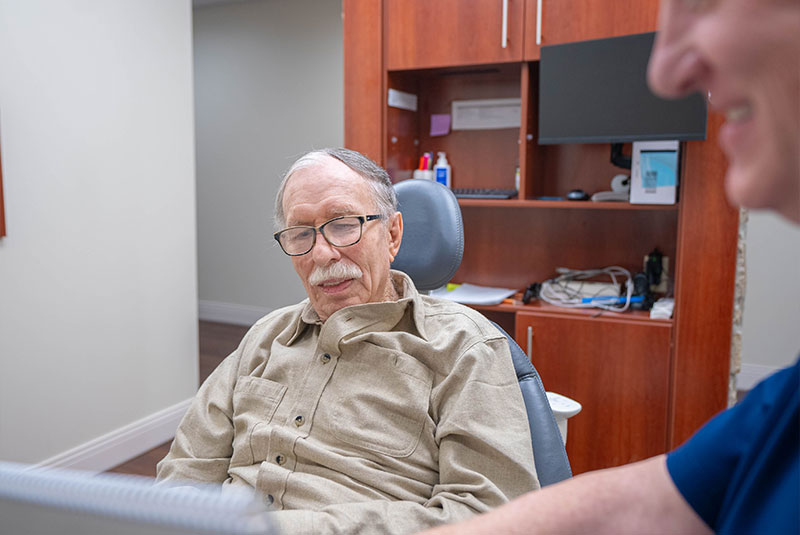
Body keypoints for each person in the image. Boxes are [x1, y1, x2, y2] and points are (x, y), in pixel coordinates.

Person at [417, 0, 800, 533]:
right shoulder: (786, 408)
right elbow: (640, 502)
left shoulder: (464, 343)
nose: (665, 73)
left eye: (705, 4)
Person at [156, 147, 539, 534]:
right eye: (301, 232)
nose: (322, 253)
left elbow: (490, 513)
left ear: (392, 235)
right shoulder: (264, 338)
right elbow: (186, 468)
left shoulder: (464, 348)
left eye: (343, 224)